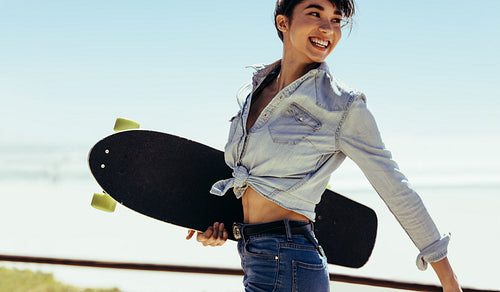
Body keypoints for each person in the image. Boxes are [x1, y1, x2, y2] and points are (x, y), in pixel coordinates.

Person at [186, 0, 462, 291]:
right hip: (257, 255)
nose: (327, 28)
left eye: (336, 19)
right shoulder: (254, 89)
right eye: (315, 14)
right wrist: (219, 224)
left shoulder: (342, 106)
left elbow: (395, 187)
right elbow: (253, 182)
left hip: (291, 263)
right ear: (283, 22)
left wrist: (448, 278)